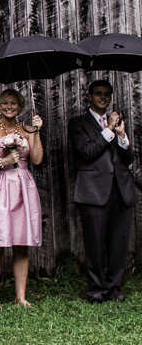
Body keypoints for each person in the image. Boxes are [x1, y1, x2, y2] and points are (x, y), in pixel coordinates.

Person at [68, 80, 135, 304]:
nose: (103, 98)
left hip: (121, 190)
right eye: (98, 94)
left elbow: (128, 159)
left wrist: (122, 136)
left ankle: (114, 288)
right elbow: (87, 152)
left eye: (107, 94)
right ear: (90, 96)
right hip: (93, 192)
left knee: (119, 243)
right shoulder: (78, 123)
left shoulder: (117, 122)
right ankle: (95, 291)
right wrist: (107, 131)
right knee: (94, 243)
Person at [0, 89, 43, 309]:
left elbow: (37, 159)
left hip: (23, 188)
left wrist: (36, 132)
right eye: (5, 102)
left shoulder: (26, 129)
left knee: (21, 245)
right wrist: (2, 162)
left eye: (14, 103)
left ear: (21, 106)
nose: (9, 106)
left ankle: (21, 297)